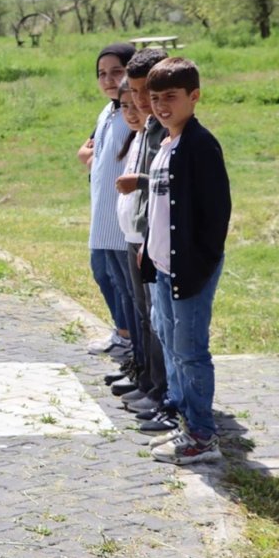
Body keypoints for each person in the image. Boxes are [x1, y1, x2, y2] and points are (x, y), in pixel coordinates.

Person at [139, 57, 231, 465]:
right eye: (155, 98)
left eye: (171, 98)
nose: (161, 106)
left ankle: (202, 436)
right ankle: (184, 421)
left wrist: (197, 265)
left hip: (188, 270)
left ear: (194, 97)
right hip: (162, 268)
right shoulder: (166, 143)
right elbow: (161, 207)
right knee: (172, 345)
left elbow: (215, 216)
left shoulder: (200, 145)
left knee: (190, 350)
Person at [114, 49, 171, 426]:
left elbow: (169, 187)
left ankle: (161, 392)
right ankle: (149, 382)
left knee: (159, 321)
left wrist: (149, 242)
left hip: (154, 241)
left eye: (143, 91)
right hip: (136, 236)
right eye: (132, 93)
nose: (137, 101)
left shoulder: (166, 130)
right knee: (144, 314)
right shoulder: (144, 128)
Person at [79, 43, 141, 376]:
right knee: (102, 274)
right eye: (102, 73)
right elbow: (88, 147)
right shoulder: (108, 110)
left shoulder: (132, 112)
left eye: (116, 71)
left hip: (120, 218)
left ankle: (132, 341)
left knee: (124, 284)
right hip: (100, 213)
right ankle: (122, 333)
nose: (108, 79)